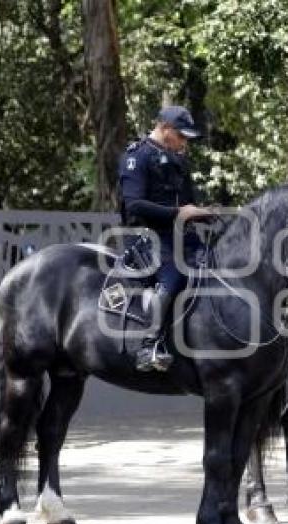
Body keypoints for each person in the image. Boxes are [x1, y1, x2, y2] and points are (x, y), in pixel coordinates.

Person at [118, 105, 212, 372]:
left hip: (182, 236)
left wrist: (208, 214)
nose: (184, 143)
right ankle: (149, 345)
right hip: (148, 237)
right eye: (181, 136)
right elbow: (134, 205)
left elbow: (189, 203)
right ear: (165, 128)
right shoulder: (137, 157)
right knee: (173, 275)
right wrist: (179, 213)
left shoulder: (178, 160)